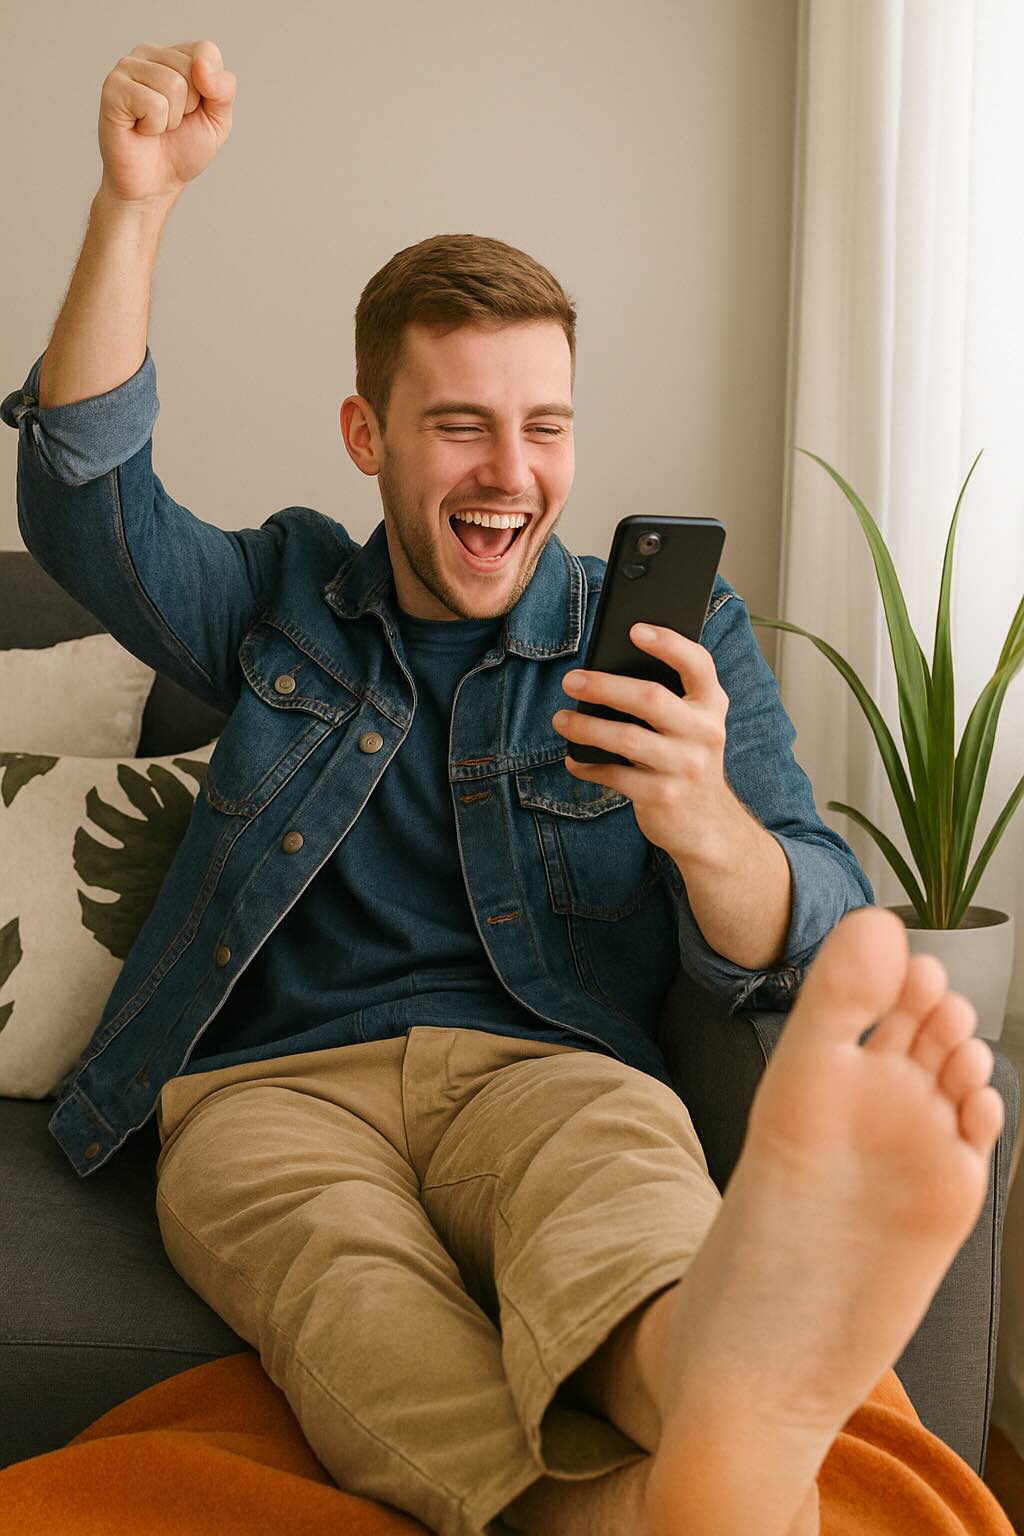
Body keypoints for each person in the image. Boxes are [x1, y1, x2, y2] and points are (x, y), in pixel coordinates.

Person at [1, 39, 1010, 1536]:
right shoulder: (278, 595)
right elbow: (87, 506)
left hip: (556, 1068)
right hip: (275, 1089)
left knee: (620, 1206)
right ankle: (674, 1504)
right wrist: (134, 199)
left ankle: (716, 1378)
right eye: (460, 423)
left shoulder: (668, 635)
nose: (508, 471)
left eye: (544, 427)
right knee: (344, 1288)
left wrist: (703, 824)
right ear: (371, 438)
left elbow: (819, 905)